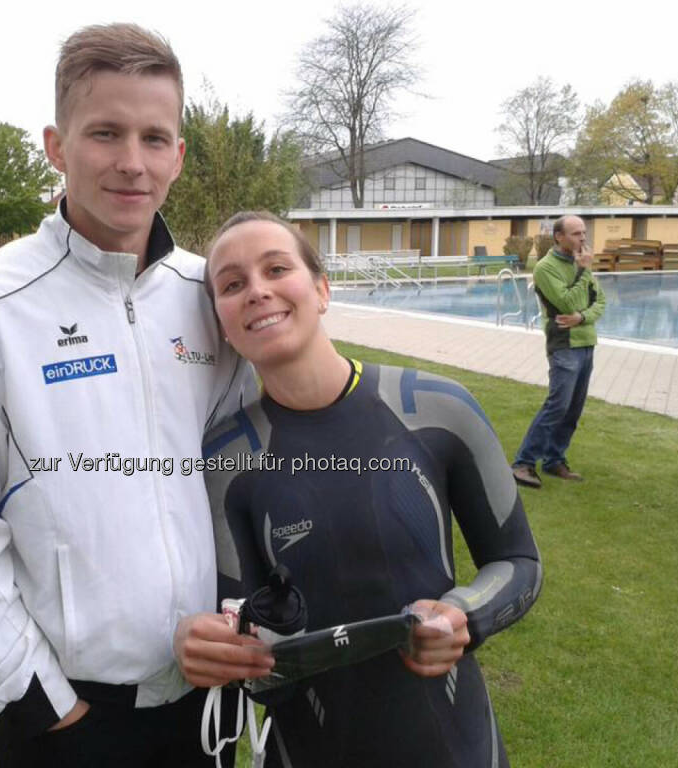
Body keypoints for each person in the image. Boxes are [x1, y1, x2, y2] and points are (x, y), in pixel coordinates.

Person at [0, 24, 259, 767]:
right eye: (105, 133)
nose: (133, 163)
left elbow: (249, 482)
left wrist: (241, 619)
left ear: (180, 156)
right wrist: (40, 702)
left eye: (155, 138)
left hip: (207, 702)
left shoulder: (209, 297)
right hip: (69, 718)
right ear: (56, 146)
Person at [174, 212, 542, 767]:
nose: (257, 291)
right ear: (222, 323)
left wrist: (464, 612)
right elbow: (248, 634)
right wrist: (221, 645)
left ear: (321, 289)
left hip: (450, 744)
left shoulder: (438, 410)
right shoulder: (227, 459)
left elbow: (518, 562)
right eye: (232, 284)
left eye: (277, 268)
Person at [511, 215, 606, 488]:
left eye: (584, 233)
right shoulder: (545, 268)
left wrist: (583, 318)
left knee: (573, 409)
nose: (583, 239)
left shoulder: (579, 264)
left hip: (586, 342)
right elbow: (567, 302)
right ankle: (523, 463)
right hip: (564, 346)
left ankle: (554, 460)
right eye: (576, 234)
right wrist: (584, 273)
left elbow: (601, 301)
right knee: (558, 406)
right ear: (558, 237)